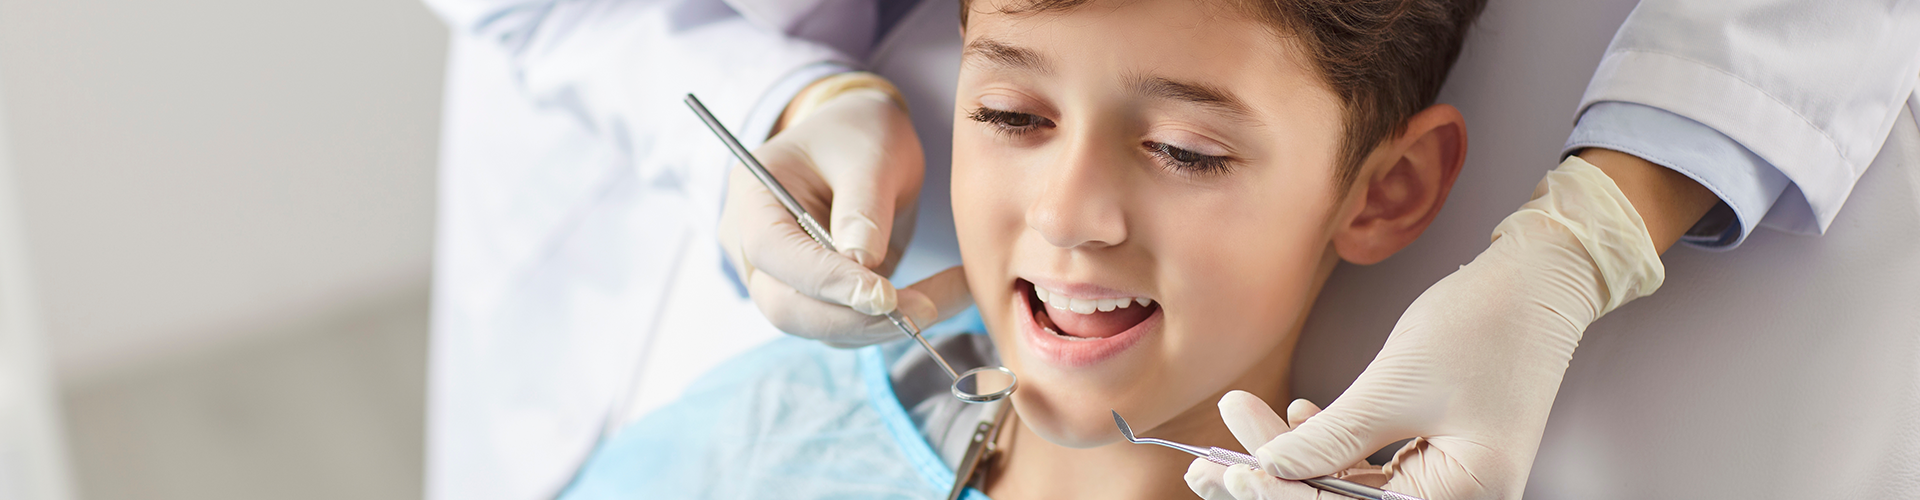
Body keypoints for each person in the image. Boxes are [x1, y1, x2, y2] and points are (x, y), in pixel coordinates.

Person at [559, 0, 1486, 497]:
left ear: (1385, 190)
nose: (1066, 213)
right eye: (1009, 114)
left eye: (1184, 151)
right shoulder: (763, 439)